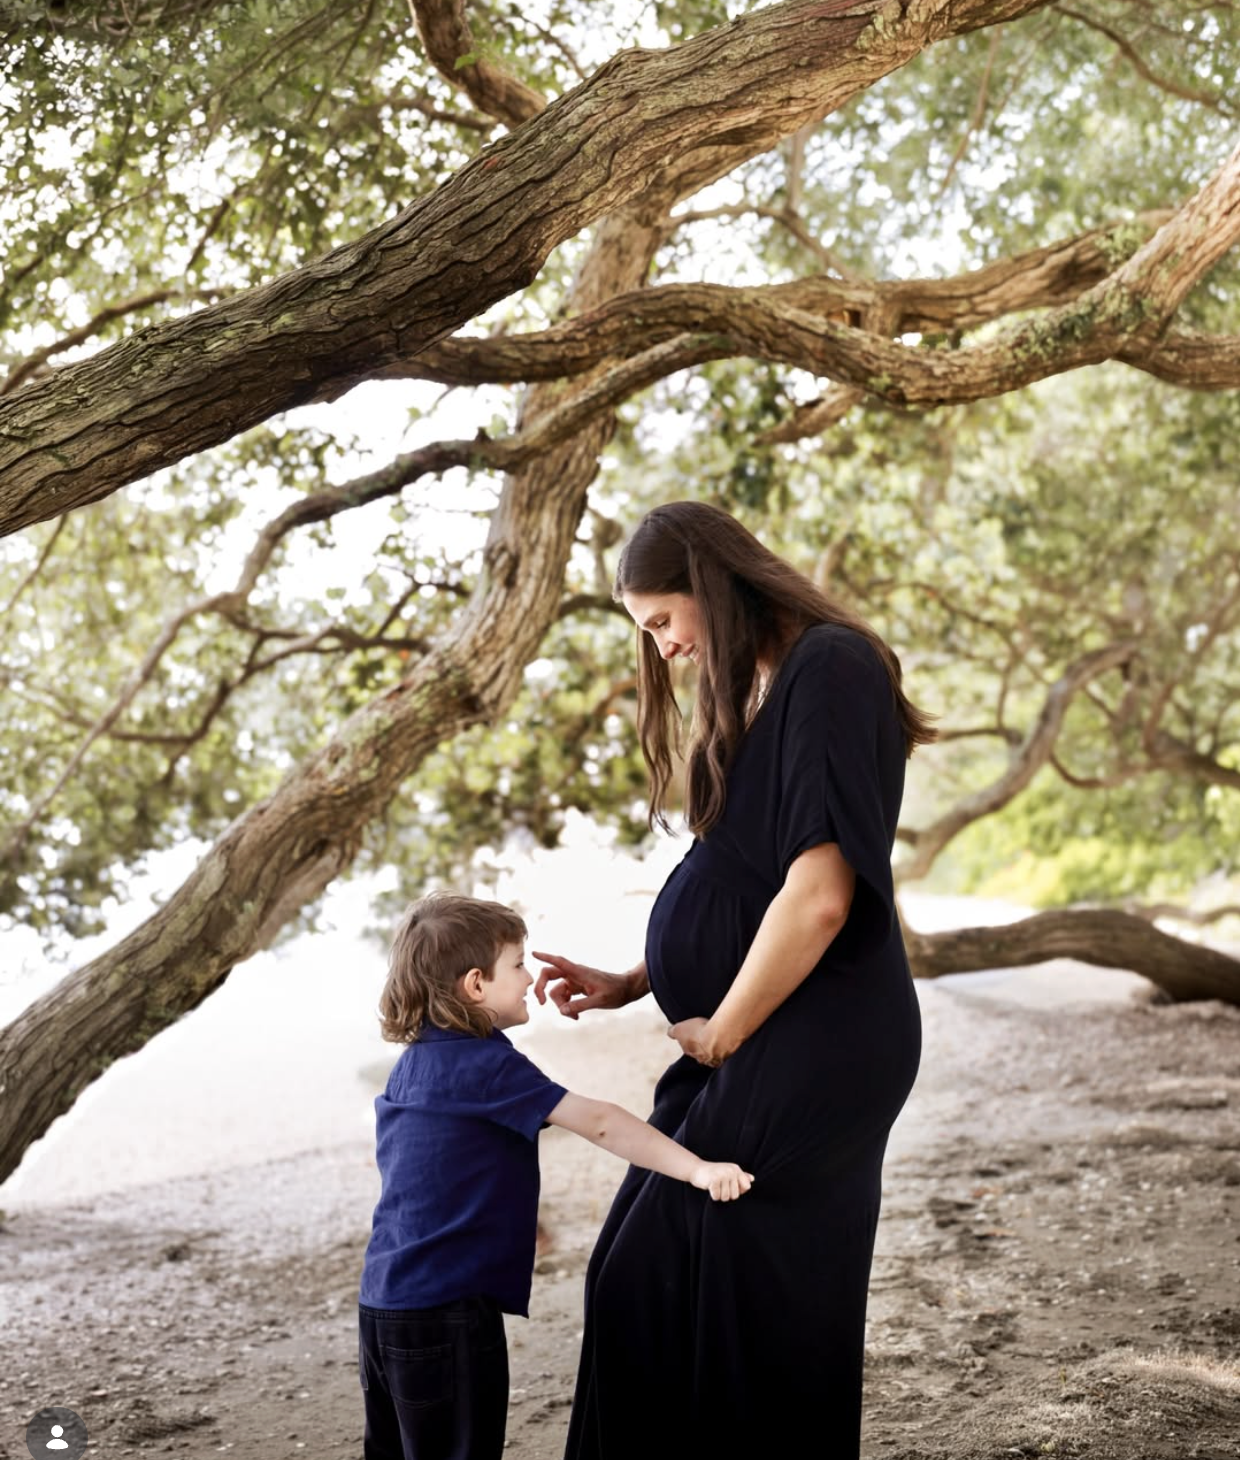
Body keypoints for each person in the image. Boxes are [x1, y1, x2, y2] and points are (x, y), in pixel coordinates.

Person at [534, 500, 934, 1459]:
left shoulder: (832, 667)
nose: (664, 649)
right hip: (771, 1035)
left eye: (664, 621)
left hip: (809, 1038)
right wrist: (636, 979)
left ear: (711, 583)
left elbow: (821, 894)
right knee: (688, 1284)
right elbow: (751, 882)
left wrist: (724, 1031)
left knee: (682, 1282)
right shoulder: (777, 686)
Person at [356, 890, 753, 1460]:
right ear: (474, 985)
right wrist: (697, 1169)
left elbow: (429, 1171)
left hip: (383, 1307)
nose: (527, 978)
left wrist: (517, 1219)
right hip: (446, 1316)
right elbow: (599, 1122)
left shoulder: (413, 1065)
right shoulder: (485, 1063)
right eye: (516, 965)